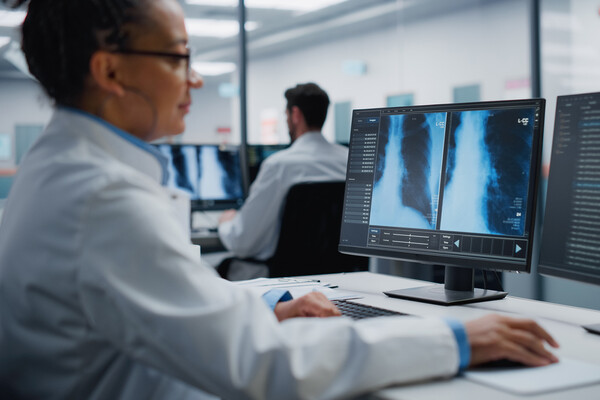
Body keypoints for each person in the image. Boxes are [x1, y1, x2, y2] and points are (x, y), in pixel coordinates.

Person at [0, 1, 559, 399]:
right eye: (179, 57)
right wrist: (453, 341)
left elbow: (182, 293)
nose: (193, 80)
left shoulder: (55, 173)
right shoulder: (103, 199)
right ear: (110, 70)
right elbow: (264, 369)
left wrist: (267, 306)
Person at [218, 82, 349, 261]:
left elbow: (242, 242)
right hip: (344, 273)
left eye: (286, 115)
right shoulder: (350, 161)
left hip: (285, 277)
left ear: (295, 114)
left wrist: (226, 223)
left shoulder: (279, 166)